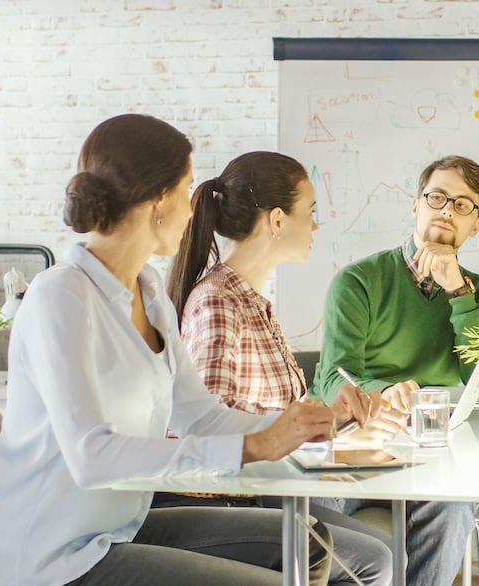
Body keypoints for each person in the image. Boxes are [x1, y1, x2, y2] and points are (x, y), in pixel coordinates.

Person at [0, 114, 337, 586]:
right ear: (159, 199)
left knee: (307, 541)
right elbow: (91, 457)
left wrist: (302, 426)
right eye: (185, 189)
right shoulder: (59, 296)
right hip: (49, 559)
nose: (192, 208)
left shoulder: (151, 295)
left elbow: (201, 417)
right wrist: (251, 447)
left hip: (113, 530)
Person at [162, 151, 395, 586]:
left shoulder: (252, 301)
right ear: (276, 220)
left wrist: (332, 412)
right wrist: (305, 436)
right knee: (373, 562)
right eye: (309, 212)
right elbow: (210, 423)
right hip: (235, 499)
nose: (315, 226)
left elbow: (271, 407)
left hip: (266, 488)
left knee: (384, 554)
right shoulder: (219, 302)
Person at [310, 154, 479, 585]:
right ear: (415, 205)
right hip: (359, 439)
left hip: (434, 448)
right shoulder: (358, 281)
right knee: (317, 503)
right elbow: (331, 381)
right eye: (437, 197)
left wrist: (459, 293)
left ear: (476, 225)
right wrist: (387, 391)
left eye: (463, 204)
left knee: (454, 505)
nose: (447, 210)